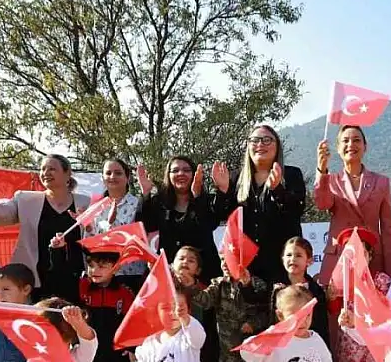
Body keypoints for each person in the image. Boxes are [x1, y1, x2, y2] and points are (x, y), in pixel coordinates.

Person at [0, 153, 92, 301]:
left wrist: (89, 225)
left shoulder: (87, 202)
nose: (45, 173)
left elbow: (96, 235)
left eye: (52, 169)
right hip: (36, 281)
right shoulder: (26, 200)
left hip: (77, 280)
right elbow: (2, 214)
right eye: (43, 169)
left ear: (68, 174)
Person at [213, 125, 306, 284]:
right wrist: (223, 191)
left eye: (267, 140)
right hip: (246, 266)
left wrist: (278, 190)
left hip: (281, 264)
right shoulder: (235, 178)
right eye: (254, 140)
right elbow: (221, 215)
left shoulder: (291, 174)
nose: (260, 144)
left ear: (277, 146)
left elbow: (296, 210)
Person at [329, 227, 391, 362]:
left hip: (374, 336)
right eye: (350, 253)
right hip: (350, 338)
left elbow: (384, 308)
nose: (356, 257)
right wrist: (336, 306)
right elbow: (333, 308)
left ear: (370, 255)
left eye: (361, 252)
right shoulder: (340, 281)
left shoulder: (380, 280)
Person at [314, 125, 391, 284]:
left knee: (372, 307)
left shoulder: (381, 182)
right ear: (338, 148)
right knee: (338, 308)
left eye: (356, 140)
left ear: (365, 147)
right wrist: (322, 170)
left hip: (372, 259)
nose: (351, 144)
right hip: (339, 258)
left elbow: (388, 229)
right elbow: (322, 203)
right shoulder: (330, 180)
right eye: (345, 141)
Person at [137, 156, 224, 281]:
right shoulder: (158, 202)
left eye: (186, 170)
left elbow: (209, 224)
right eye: (175, 170)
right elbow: (144, 225)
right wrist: (145, 193)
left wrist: (197, 196)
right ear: (168, 175)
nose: (181, 174)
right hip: (168, 275)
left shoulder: (207, 200)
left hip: (203, 276)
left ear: (194, 174)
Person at [172, 246, 222, 362]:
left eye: (191, 260)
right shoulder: (165, 284)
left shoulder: (203, 290)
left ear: (198, 271)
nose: (185, 262)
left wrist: (191, 287)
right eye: (181, 259)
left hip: (196, 343)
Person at [91, 157, 146, 291]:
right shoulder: (95, 206)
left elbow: (140, 237)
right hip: (101, 274)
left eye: (118, 173)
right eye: (108, 173)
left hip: (130, 274)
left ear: (127, 178)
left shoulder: (139, 204)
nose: (112, 176)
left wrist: (112, 225)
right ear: (103, 177)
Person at [271, 237, 330, 344]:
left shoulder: (316, 291)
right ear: (283, 258)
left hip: (309, 345)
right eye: (289, 255)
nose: (293, 259)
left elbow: (322, 325)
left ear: (309, 260)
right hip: (283, 345)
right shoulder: (277, 288)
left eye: (298, 255)